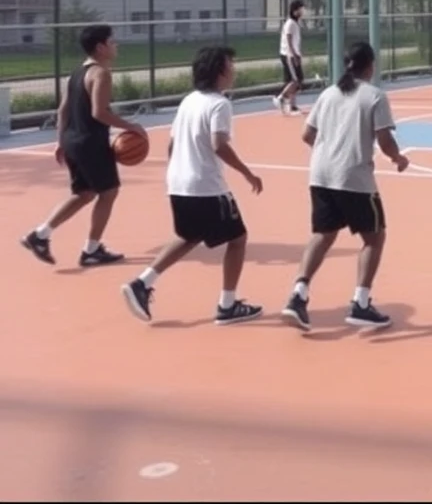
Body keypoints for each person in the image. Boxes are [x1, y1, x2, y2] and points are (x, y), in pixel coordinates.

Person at [120, 45, 264, 325]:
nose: (233, 69)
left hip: (179, 182)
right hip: (206, 186)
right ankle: (228, 305)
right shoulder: (220, 104)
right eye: (230, 65)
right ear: (219, 71)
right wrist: (247, 173)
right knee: (238, 239)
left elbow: (172, 144)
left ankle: (142, 282)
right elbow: (219, 145)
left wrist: (175, 174)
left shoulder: (189, 101)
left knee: (190, 235)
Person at [282, 41, 408, 332]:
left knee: (323, 235)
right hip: (353, 178)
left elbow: (306, 135)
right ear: (370, 65)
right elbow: (385, 139)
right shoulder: (375, 96)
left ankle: (298, 294)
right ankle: (360, 303)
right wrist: (398, 158)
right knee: (374, 237)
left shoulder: (328, 93)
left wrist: (332, 151)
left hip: (321, 174)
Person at [21, 24, 147, 267]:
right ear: (100, 47)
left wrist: (61, 142)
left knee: (84, 193)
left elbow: (63, 110)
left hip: (73, 140)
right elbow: (99, 113)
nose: (116, 45)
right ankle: (91, 250)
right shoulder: (101, 73)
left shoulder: (77, 72)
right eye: (112, 42)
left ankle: (40, 235)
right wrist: (131, 126)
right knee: (108, 192)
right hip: (91, 143)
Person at [273, 0, 305, 115]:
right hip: (289, 56)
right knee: (296, 80)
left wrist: (298, 53)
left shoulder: (296, 23)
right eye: (300, 9)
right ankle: (280, 98)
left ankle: (292, 105)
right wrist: (294, 55)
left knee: (296, 80)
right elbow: (289, 40)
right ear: (294, 10)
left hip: (293, 54)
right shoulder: (290, 23)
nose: (302, 11)